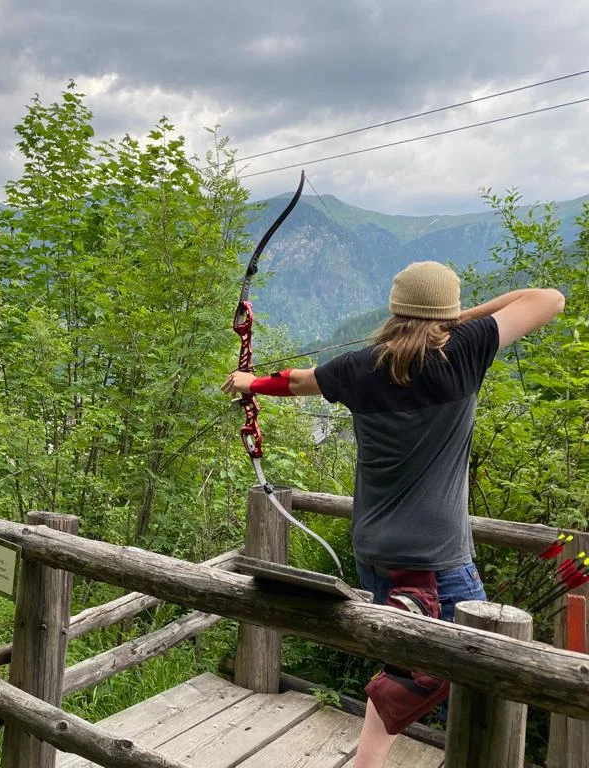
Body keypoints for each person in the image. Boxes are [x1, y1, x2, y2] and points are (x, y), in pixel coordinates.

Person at [221, 261, 564, 767]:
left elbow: (294, 381)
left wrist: (250, 383)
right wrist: (459, 319)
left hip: (376, 554)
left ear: (396, 307)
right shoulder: (465, 351)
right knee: (477, 667)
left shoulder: (359, 367)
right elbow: (549, 298)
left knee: (407, 666)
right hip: (435, 560)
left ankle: (368, 761)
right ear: (445, 314)